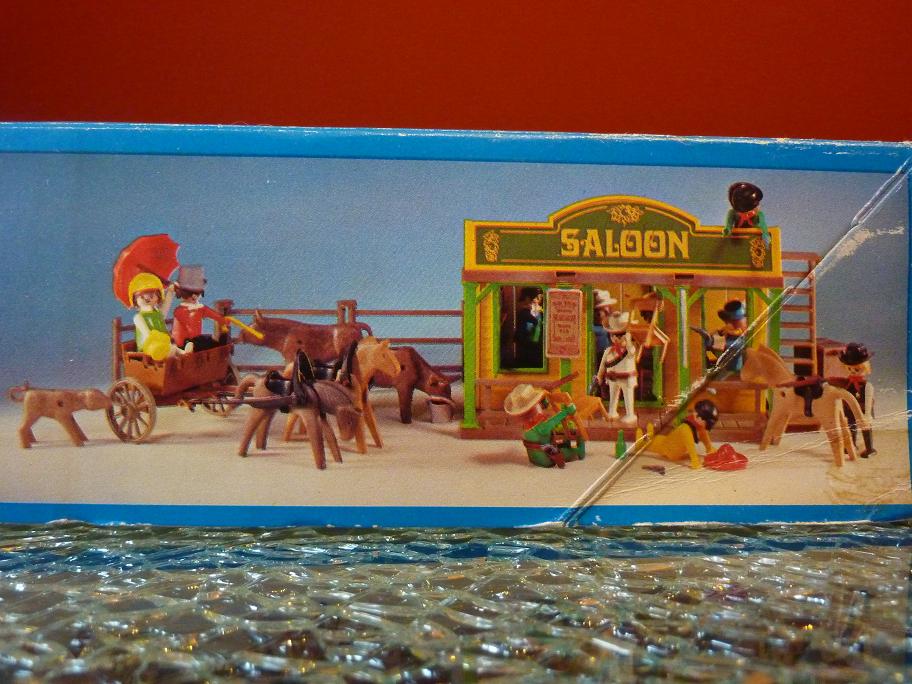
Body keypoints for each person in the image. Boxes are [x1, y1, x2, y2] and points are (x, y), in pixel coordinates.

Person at [504, 383, 584, 468]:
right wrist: (566, 411)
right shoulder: (538, 426)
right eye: (538, 402)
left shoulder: (525, 426)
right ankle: (579, 451)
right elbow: (551, 422)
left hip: (534, 456)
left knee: (559, 443)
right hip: (546, 458)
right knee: (567, 452)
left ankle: (566, 446)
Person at [636, 399, 718, 470]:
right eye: (707, 423)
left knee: (656, 439)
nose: (707, 426)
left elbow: (704, 435)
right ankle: (640, 443)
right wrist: (695, 461)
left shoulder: (699, 426)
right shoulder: (686, 429)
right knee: (651, 444)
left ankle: (650, 435)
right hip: (668, 450)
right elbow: (690, 446)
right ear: (699, 417)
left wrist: (709, 448)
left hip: (668, 441)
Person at [830, 342, 876, 458]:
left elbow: (869, 401)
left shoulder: (867, 386)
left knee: (866, 428)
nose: (853, 371)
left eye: (856, 369)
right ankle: (852, 445)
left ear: (865, 367)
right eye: (850, 368)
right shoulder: (849, 383)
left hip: (863, 410)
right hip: (850, 410)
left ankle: (869, 449)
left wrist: (867, 415)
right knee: (851, 426)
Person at [128, 272, 186, 360]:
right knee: (166, 348)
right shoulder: (138, 318)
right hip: (148, 346)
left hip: (163, 343)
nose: (147, 298)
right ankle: (173, 354)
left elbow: (166, 305)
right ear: (135, 300)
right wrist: (163, 339)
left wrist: (170, 291)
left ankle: (183, 353)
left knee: (173, 347)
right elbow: (147, 334)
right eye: (142, 297)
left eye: (151, 295)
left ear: (158, 296)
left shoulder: (157, 313)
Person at [171, 265, 227, 352]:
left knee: (212, 340)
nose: (195, 296)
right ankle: (189, 348)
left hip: (195, 340)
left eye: (198, 293)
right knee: (197, 342)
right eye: (190, 293)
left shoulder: (200, 308)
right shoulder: (180, 310)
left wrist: (223, 320)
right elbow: (190, 328)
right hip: (182, 343)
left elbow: (214, 315)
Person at [596, 311, 638, 424]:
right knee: (613, 395)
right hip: (612, 377)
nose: (615, 338)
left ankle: (630, 414)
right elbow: (603, 364)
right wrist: (599, 375)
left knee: (628, 396)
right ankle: (612, 411)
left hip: (626, 377)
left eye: (619, 335)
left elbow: (632, 353)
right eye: (612, 335)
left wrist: (628, 341)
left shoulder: (630, 349)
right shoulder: (608, 350)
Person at [513, 287, 544, 368]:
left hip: (527, 342)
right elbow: (534, 321)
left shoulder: (527, 310)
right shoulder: (525, 311)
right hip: (527, 342)